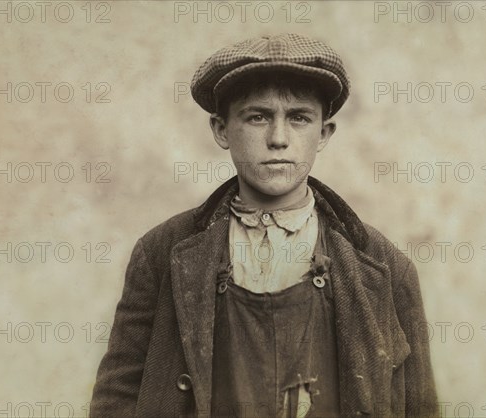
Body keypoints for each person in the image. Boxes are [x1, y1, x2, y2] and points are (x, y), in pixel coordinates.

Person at [90, 33, 438, 418]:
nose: (278, 139)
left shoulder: (384, 267)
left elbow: (419, 407)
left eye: (299, 118)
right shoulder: (161, 253)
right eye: (257, 116)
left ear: (323, 133)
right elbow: (116, 398)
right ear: (222, 130)